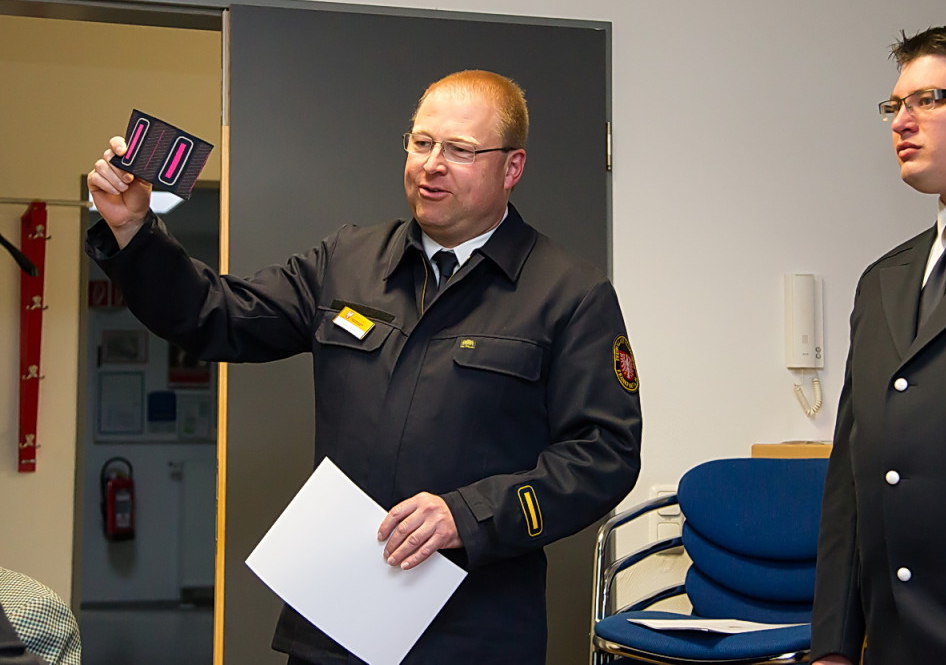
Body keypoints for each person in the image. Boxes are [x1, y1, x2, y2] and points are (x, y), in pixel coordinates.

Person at [85, 70, 642, 664]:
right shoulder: (348, 261)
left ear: (512, 168)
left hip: (473, 630)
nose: (431, 165)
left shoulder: (569, 293)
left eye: (459, 150)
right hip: (335, 623)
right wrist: (133, 231)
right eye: (421, 142)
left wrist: (469, 515)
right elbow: (215, 314)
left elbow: (603, 455)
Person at [811, 24, 946, 664]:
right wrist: (833, 644)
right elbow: (852, 476)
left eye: (928, 100)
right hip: (897, 641)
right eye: (895, 105)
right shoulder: (885, 278)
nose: (902, 122)